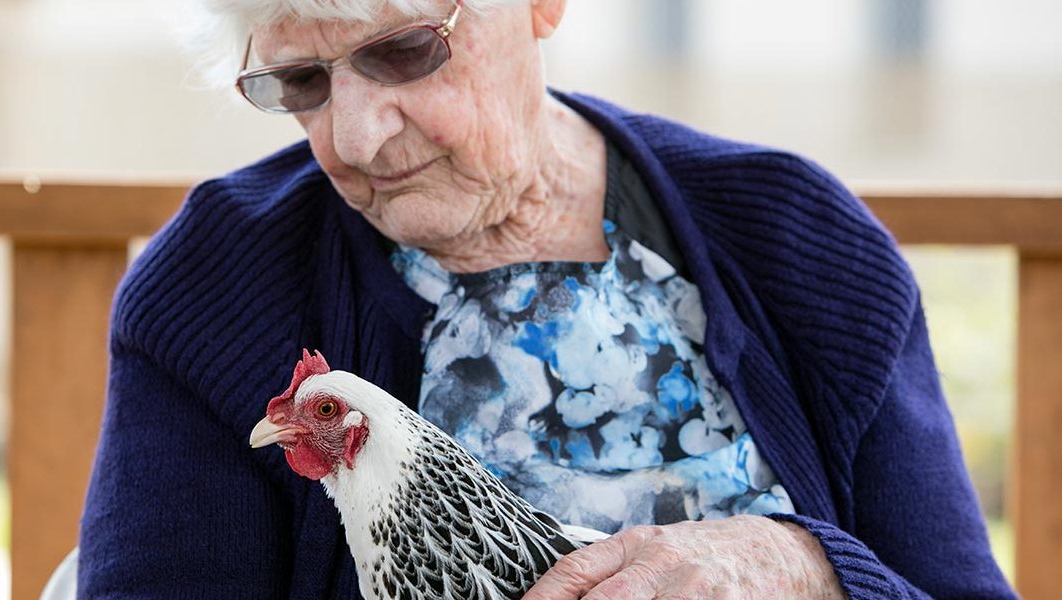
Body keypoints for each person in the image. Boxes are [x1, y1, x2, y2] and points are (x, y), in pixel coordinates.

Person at [78, 0, 1015, 597]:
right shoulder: (215, 283)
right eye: (302, 82)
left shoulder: (796, 239)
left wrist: (806, 568)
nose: (356, 138)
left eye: (405, 53)